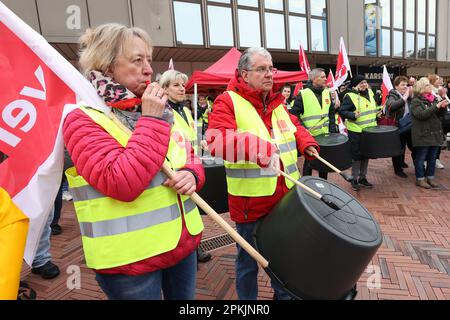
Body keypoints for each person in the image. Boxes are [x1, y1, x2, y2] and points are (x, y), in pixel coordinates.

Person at [63, 23, 205, 300]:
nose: (149, 69)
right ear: (106, 67)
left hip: (182, 245)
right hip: (131, 261)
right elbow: (121, 183)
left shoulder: (154, 107)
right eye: (137, 60)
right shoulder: (82, 119)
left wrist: (192, 173)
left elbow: (187, 154)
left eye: (149, 60)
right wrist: (151, 121)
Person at [206, 47, 319, 300]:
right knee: (247, 262)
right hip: (251, 204)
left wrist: (306, 142)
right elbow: (216, 140)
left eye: (271, 69)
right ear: (244, 74)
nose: (269, 74)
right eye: (261, 69)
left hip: (286, 200)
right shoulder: (228, 101)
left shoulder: (277, 101)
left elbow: (294, 126)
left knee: (283, 259)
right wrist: (258, 148)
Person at [159, 69, 211, 263]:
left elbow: (188, 135)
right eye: (176, 85)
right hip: (174, 172)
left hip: (191, 168)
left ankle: (194, 248)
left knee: (192, 211)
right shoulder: (163, 111)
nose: (182, 89)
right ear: (164, 88)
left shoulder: (185, 109)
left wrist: (201, 141)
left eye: (183, 85)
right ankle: (188, 250)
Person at [291, 68, 338, 180]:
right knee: (309, 162)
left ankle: (323, 184)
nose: (325, 79)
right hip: (310, 136)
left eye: (325, 76)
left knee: (324, 163)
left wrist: (332, 129)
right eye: (322, 77)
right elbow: (294, 114)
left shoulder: (327, 92)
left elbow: (331, 112)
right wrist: (303, 129)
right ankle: (307, 183)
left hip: (325, 136)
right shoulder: (303, 94)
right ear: (313, 79)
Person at [339, 75, 377, 191]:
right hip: (356, 131)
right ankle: (354, 179)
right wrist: (352, 115)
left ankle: (362, 178)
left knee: (366, 155)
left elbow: (371, 108)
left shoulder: (370, 92)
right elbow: (342, 111)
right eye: (361, 83)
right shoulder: (350, 96)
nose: (364, 85)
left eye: (365, 82)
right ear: (355, 85)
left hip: (369, 131)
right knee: (357, 157)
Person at [411, 77, 448, 189]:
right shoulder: (416, 101)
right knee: (421, 158)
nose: (430, 86)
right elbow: (421, 115)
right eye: (427, 85)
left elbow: (440, 115)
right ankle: (420, 179)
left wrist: (442, 107)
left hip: (435, 133)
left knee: (432, 158)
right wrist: (435, 106)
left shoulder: (434, 99)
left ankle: (430, 177)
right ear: (421, 88)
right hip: (423, 134)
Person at [385, 76, 414, 178]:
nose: (405, 87)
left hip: (409, 125)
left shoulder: (409, 95)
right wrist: (404, 98)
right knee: (399, 147)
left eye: (406, 85)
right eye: (402, 85)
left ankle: (403, 162)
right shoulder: (392, 95)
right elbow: (391, 106)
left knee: (412, 146)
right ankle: (398, 169)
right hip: (398, 126)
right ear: (396, 86)